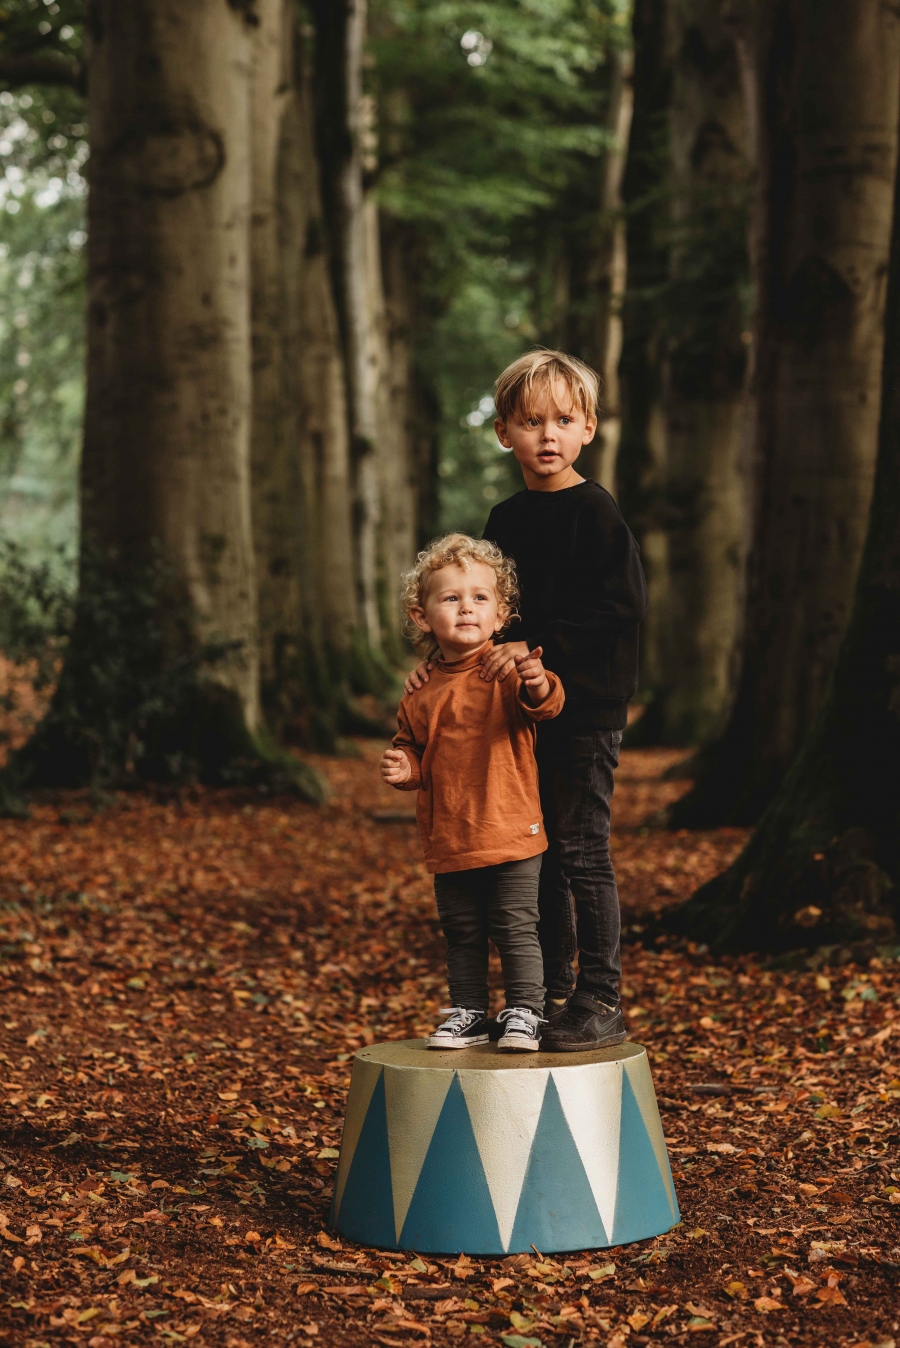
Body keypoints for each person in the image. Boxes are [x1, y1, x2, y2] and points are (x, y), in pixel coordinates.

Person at [405, 350, 647, 1052]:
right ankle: (539, 998)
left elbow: (619, 610)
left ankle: (598, 997)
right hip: (513, 717)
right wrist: (439, 667)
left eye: (564, 420)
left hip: (585, 712)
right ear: (503, 432)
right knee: (532, 855)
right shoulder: (505, 519)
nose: (548, 435)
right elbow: (487, 610)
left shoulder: (595, 513)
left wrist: (541, 649)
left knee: (580, 851)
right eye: (531, 420)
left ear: (589, 430)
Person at [381, 533, 565, 1052]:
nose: (467, 608)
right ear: (422, 617)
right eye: (451, 597)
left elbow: (546, 704)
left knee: (515, 926)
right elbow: (412, 748)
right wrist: (404, 768)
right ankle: (468, 1009)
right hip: (450, 836)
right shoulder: (419, 690)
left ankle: (525, 1011)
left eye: (480, 597)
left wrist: (535, 678)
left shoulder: (506, 669)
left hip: (509, 829)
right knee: (461, 930)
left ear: (502, 613)